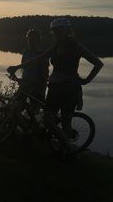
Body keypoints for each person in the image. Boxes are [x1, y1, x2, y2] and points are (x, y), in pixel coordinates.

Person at [8, 18, 103, 154]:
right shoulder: (56, 45)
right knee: (48, 121)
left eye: (60, 31)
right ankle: (68, 149)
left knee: (65, 124)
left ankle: (66, 151)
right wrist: (17, 67)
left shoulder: (76, 46)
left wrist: (87, 80)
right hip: (54, 88)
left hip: (69, 89)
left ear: (67, 31)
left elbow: (98, 63)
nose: (57, 33)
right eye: (55, 31)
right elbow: (39, 58)